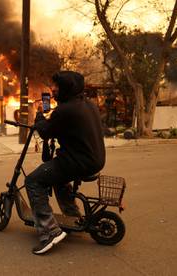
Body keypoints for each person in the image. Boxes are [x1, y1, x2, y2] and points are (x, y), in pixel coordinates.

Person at [25, 71, 106, 255]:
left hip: (78, 161)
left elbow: (45, 132)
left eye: (57, 86)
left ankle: (49, 232)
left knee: (33, 181)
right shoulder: (87, 104)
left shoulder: (65, 110)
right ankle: (72, 217)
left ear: (67, 88)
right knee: (57, 178)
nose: (53, 89)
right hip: (94, 159)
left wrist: (38, 116)